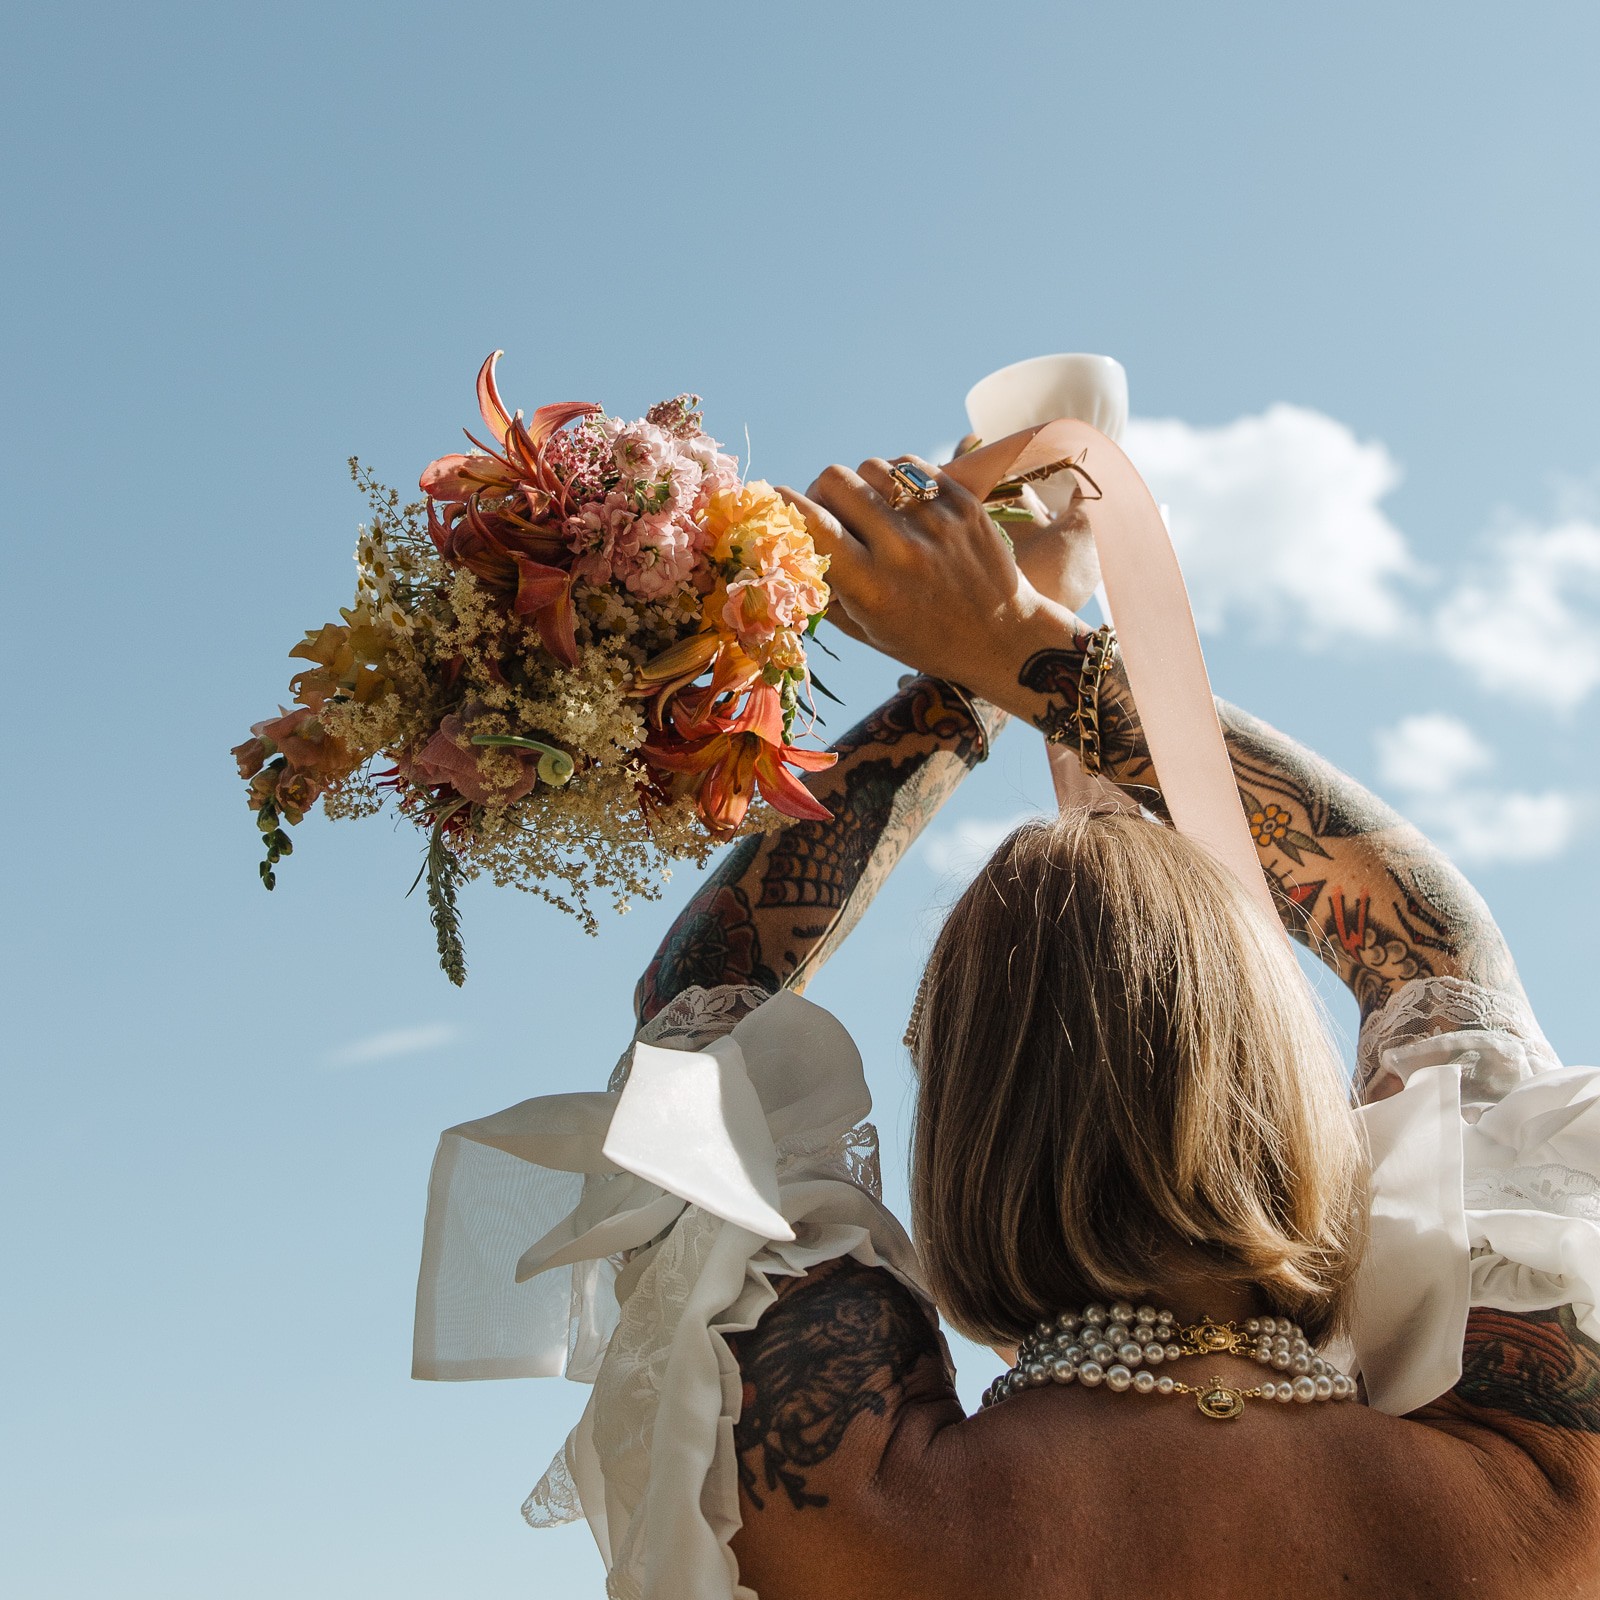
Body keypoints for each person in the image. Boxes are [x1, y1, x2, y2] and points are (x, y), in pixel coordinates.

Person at [413, 452, 1600, 1599]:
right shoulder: (1542, 1495)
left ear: (962, 1117)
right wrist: (1015, 638)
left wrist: (957, 687)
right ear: (1286, 1084)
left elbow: (704, 1014)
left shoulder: (856, 1498)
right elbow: (1437, 956)